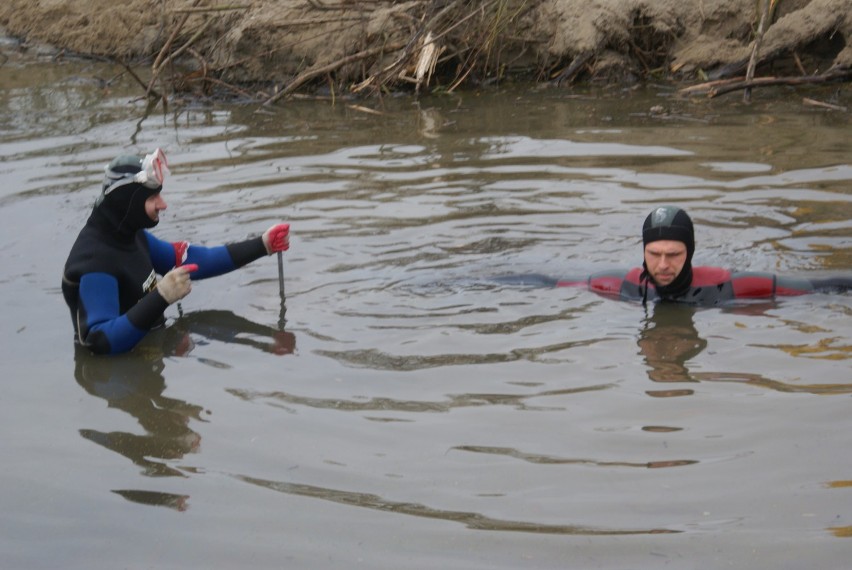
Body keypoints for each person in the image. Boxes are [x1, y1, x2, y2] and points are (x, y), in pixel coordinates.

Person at [62, 148, 291, 355]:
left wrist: (263, 245)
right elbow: (101, 342)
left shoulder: (131, 236)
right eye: (153, 197)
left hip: (152, 349)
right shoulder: (95, 262)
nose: (163, 204)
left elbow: (192, 261)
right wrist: (161, 297)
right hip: (118, 381)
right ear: (128, 203)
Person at [500, 205, 851, 304]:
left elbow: (820, 287)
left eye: (674, 254)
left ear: (691, 252)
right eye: (654, 254)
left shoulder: (728, 287)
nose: (663, 265)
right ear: (643, 251)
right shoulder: (623, 286)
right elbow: (546, 282)